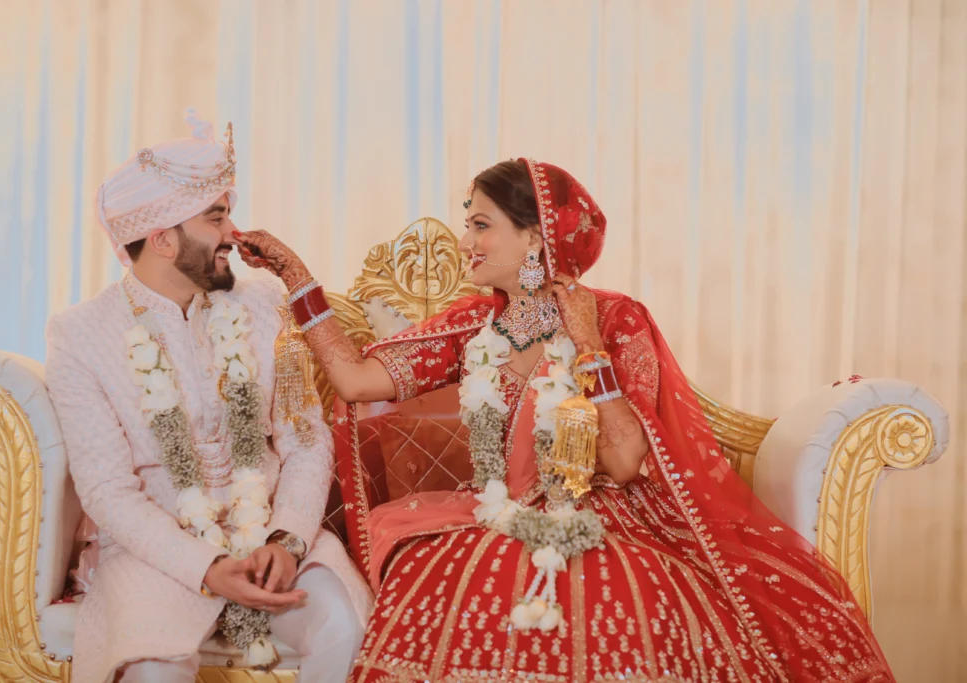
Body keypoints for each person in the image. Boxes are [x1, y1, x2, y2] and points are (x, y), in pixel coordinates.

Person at [234, 159, 894, 682]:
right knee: (451, 571)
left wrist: (589, 348)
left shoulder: (615, 318)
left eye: (481, 225)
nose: (465, 242)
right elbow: (355, 381)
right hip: (498, 511)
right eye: (467, 225)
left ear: (535, 237)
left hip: (606, 516)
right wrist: (297, 275)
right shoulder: (475, 325)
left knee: (604, 596)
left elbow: (626, 461)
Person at [45, 109, 372, 683]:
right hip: (156, 553)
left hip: (271, 537)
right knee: (151, 671)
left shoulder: (262, 302)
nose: (232, 234)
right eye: (216, 217)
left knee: (343, 624)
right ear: (162, 237)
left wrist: (288, 539)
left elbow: (304, 438)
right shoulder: (81, 334)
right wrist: (207, 565)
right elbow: (106, 489)